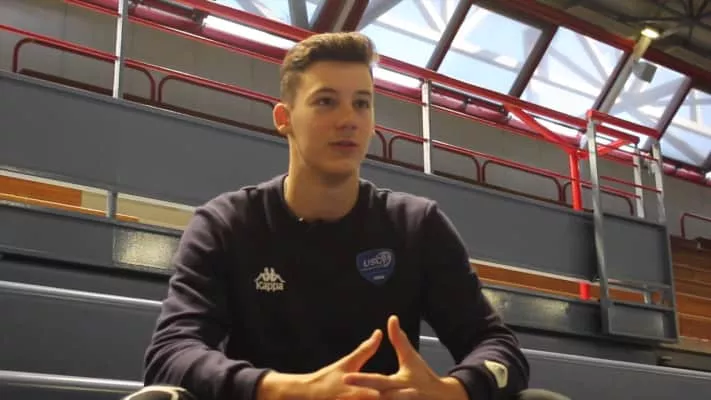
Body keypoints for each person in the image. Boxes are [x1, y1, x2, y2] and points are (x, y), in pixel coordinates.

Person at [136, 32, 570, 400]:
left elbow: (496, 345)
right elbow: (171, 353)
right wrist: (286, 390)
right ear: (284, 118)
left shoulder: (416, 226)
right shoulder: (226, 224)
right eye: (326, 102)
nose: (349, 119)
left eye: (362, 103)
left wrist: (453, 390)